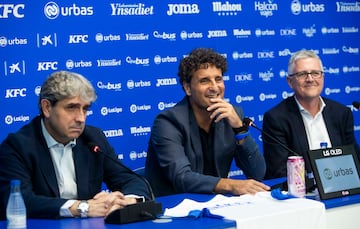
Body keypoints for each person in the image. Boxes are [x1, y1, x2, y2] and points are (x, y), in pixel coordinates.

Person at [0, 71, 151, 219]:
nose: (80, 118)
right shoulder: (18, 146)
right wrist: (81, 207)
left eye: (85, 109)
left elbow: (131, 180)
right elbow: (20, 200)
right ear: (47, 108)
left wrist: (128, 201)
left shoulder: (93, 138)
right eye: (71, 107)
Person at [145, 48, 270, 197]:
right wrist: (230, 184)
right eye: (205, 81)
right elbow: (182, 177)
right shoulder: (168, 122)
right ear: (187, 88)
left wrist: (239, 129)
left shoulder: (232, 115)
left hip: (217, 205)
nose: (214, 87)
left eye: (218, 79)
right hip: (175, 209)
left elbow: (258, 173)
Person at [263, 49, 360, 180]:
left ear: (323, 78)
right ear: (290, 81)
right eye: (302, 74)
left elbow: (354, 161)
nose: (310, 79)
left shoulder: (341, 113)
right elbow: (279, 172)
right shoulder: (276, 118)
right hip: (303, 195)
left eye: (315, 73)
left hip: (342, 190)